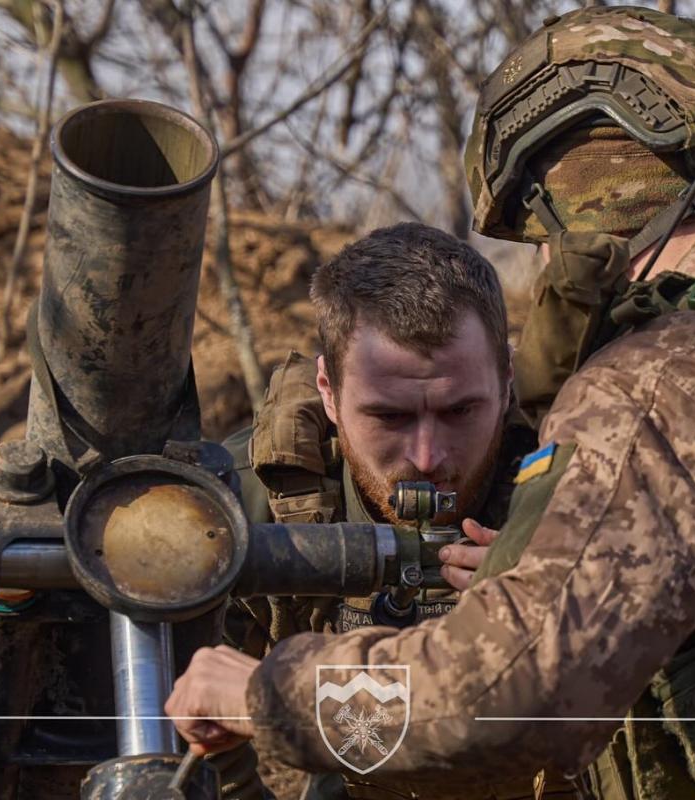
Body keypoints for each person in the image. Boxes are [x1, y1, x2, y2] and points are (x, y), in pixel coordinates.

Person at [170, 7, 695, 800]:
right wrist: (548, 573)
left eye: (540, 238)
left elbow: (506, 705)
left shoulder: (661, 379)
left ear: (575, 218)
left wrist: (268, 694)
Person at [218, 221, 538, 799]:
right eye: (389, 418)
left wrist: (563, 606)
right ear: (328, 392)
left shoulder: (585, 483)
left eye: (461, 411)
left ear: (508, 380)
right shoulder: (249, 498)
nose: (426, 457)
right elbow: (180, 719)